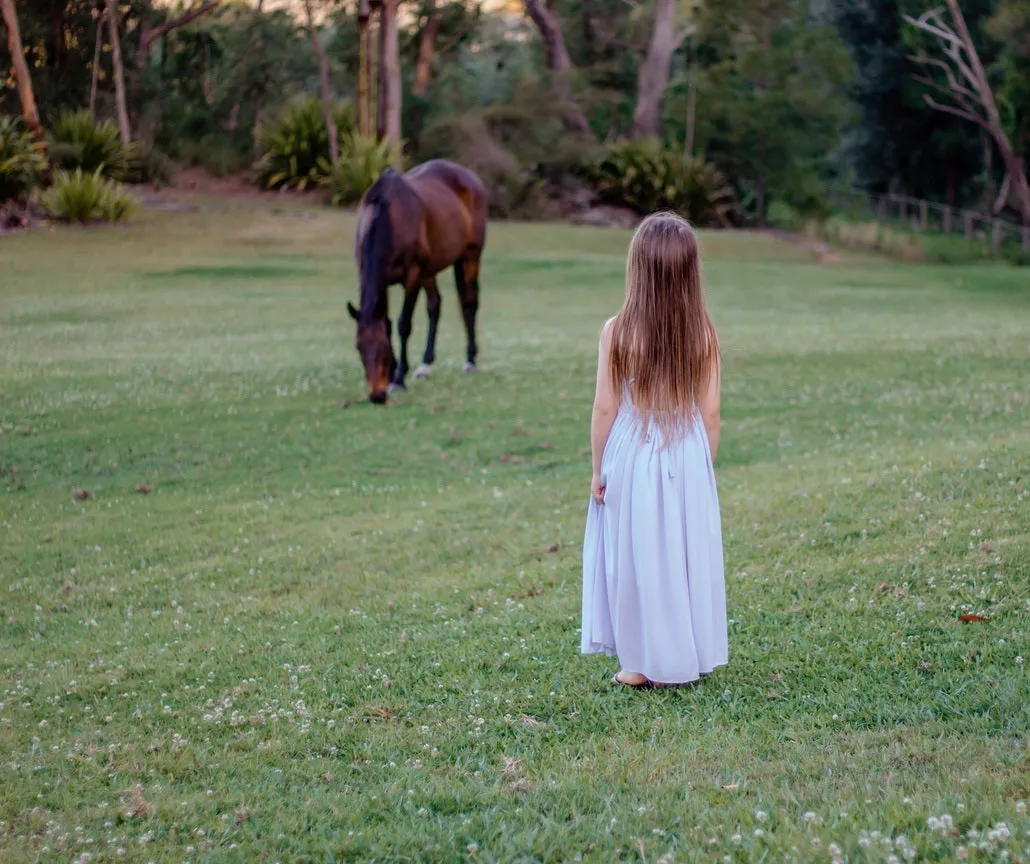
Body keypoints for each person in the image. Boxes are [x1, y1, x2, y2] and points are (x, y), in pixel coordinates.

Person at [581, 212, 727, 689]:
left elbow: (605, 408)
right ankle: (685, 653)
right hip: (685, 450)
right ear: (690, 273)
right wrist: (703, 468)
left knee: (634, 556)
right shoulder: (703, 334)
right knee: (681, 556)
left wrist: (599, 469)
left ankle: (640, 663)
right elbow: (710, 415)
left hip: (632, 452)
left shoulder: (616, 331)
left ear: (637, 269)